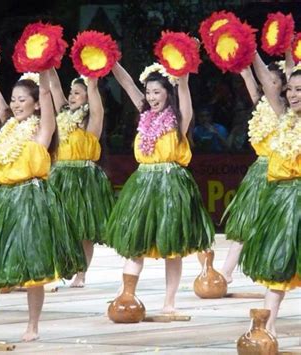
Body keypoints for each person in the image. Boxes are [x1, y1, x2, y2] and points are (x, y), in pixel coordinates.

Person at [0, 61, 86, 341]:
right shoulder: (8, 126)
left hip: (33, 201)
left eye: (22, 100)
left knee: (36, 267)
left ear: (34, 104)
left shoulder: (42, 130)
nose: (16, 104)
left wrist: (44, 65)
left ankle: (32, 325)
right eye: (14, 99)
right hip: (6, 201)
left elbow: (47, 94)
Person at [105, 62, 214, 314]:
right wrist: (110, 61)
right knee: (135, 242)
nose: (151, 97)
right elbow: (127, 84)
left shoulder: (178, 120)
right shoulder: (144, 114)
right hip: (143, 185)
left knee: (171, 246)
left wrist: (183, 75)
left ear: (168, 92)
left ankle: (169, 302)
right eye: (149, 92)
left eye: (157, 92)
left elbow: (184, 91)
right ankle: (126, 295)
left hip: (171, 186)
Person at [239, 55, 301, 336]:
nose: (292, 94)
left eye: (299, 89)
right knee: (279, 262)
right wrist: (250, 51)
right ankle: (268, 326)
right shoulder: (284, 116)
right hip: (283, 199)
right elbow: (265, 80)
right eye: (290, 89)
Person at [221, 60, 290, 284]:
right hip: (259, 172)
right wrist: (241, 51)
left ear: (283, 86)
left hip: (280, 172)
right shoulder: (260, 103)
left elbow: (288, 70)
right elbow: (248, 76)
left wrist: (289, 52)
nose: (267, 83)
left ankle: (278, 271)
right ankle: (226, 272)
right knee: (245, 222)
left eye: (273, 80)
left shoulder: (287, 110)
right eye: (265, 80)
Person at [48, 68, 114, 288]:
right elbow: (54, 86)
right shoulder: (62, 115)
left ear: (87, 97)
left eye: (77, 92)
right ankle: (57, 270)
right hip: (58, 176)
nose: (71, 96)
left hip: (82, 178)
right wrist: (46, 63)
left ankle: (81, 273)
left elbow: (93, 89)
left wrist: (92, 76)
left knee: (83, 230)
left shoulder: (92, 120)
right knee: (57, 226)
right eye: (72, 92)